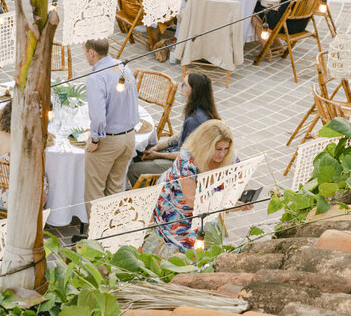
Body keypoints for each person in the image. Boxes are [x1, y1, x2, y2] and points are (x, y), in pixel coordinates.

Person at [144, 120, 242, 254]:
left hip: (208, 207)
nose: (222, 154)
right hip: (176, 204)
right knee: (187, 250)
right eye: (218, 149)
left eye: (226, 149)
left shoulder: (229, 157)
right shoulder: (188, 159)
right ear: (205, 146)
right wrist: (227, 204)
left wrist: (242, 198)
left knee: (207, 244)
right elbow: (192, 200)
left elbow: (241, 180)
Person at [82, 38, 140, 214]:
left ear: (91, 52)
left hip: (109, 141)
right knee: (115, 189)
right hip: (129, 137)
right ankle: (112, 231)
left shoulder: (96, 78)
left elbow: (99, 117)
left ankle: (96, 237)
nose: (85, 56)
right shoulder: (122, 66)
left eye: (85, 52)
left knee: (94, 193)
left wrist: (95, 138)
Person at [128, 73, 219, 184]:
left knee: (133, 170)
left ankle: (149, 194)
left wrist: (158, 155)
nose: (181, 85)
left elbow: (186, 154)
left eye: (184, 84)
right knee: (140, 152)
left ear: (193, 91)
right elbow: (180, 136)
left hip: (184, 164)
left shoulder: (195, 120)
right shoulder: (197, 109)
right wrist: (156, 147)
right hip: (177, 152)